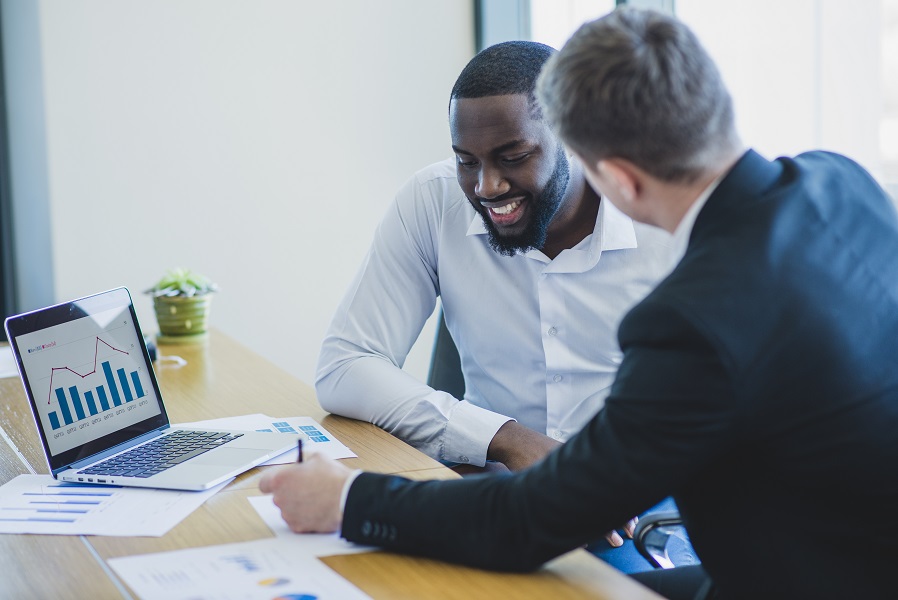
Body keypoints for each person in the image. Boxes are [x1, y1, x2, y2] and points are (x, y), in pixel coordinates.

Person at [262, 7, 898, 599]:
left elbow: (533, 520)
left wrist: (348, 499)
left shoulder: (695, 320)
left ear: (614, 178)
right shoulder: (842, 182)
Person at [314, 40, 677, 569]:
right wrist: (506, 439)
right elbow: (345, 365)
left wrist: (606, 479)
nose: (486, 186)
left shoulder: (666, 220)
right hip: (488, 499)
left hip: (639, 516)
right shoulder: (432, 200)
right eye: (467, 161)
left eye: (513, 157)